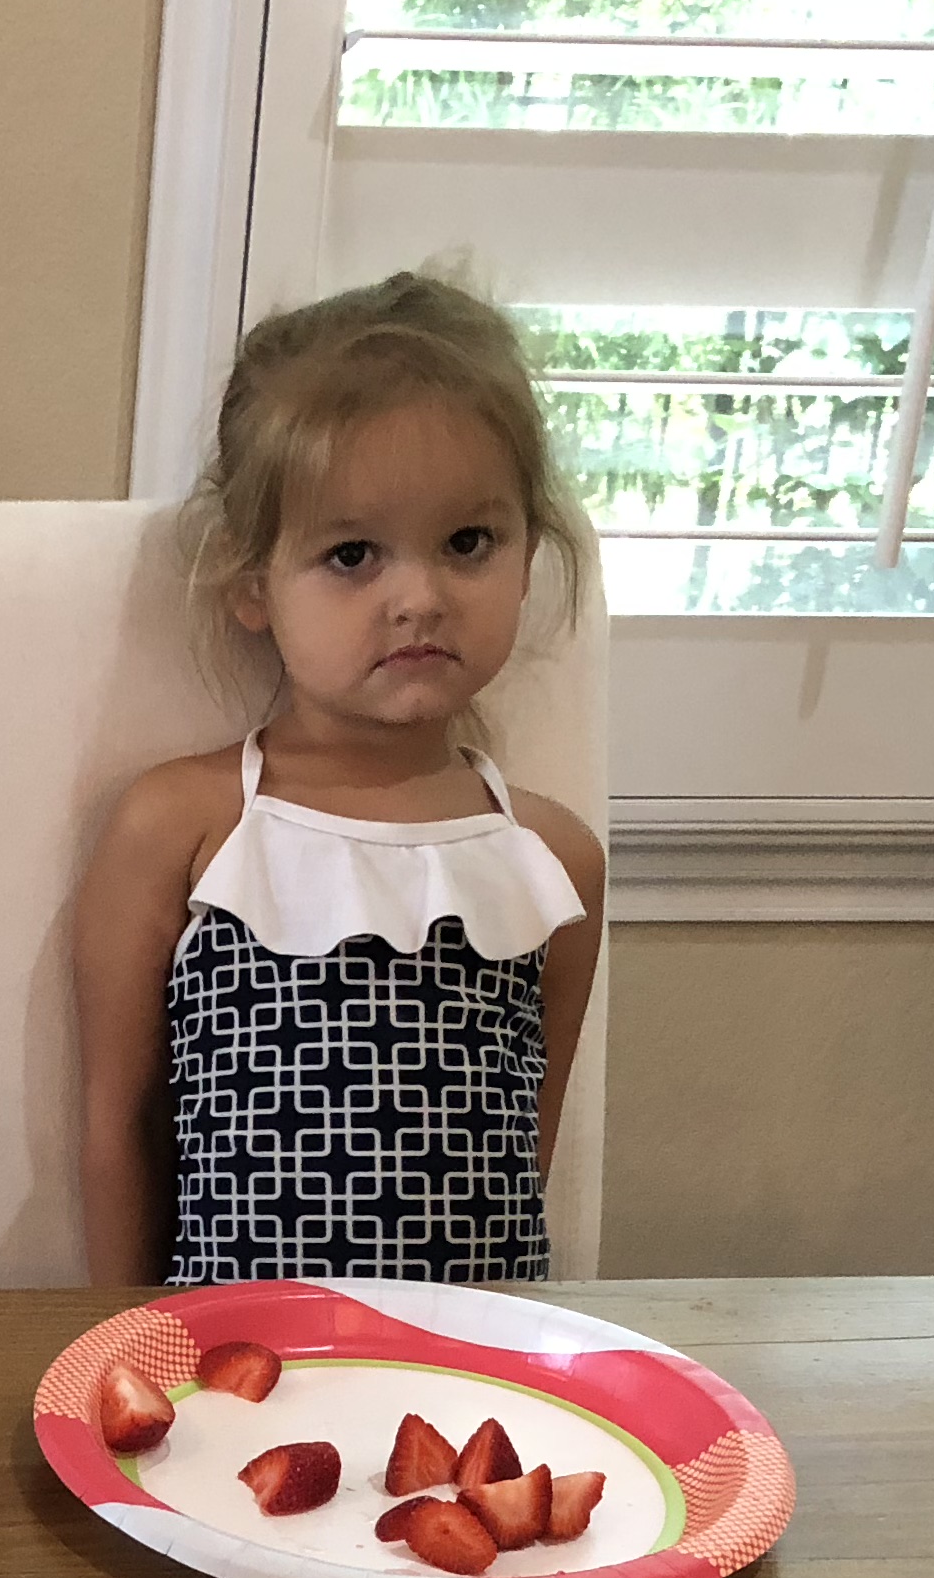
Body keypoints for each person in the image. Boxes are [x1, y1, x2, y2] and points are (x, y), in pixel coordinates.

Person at [71, 271, 610, 1289]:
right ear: (251, 584)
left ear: (527, 556)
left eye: (467, 543)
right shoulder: (184, 827)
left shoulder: (554, 858)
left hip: (466, 1391)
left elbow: (528, 1155)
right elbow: (118, 1125)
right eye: (352, 554)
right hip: (233, 1376)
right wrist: (120, 1343)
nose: (419, 597)